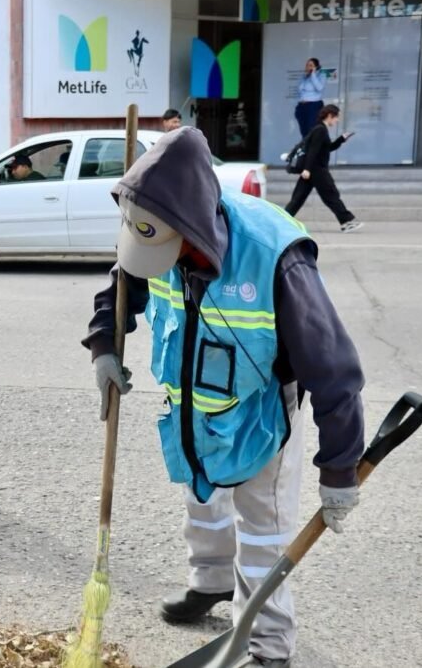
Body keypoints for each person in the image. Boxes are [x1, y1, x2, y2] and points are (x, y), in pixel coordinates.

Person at [83, 128, 365, 667]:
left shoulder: (274, 256)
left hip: (262, 415)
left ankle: (268, 647)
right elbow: (124, 281)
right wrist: (104, 344)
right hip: (195, 410)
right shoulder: (154, 227)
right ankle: (210, 581)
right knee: (203, 501)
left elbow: (335, 372)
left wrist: (339, 470)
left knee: (263, 535)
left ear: (192, 229)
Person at [285, 104, 361, 233]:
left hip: (312, 170)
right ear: (330, 116)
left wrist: (341, 139)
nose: (337, 120)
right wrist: (307, 169)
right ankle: (346, 221)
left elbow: (327, 148)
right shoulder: (320, 130)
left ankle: (282, 221)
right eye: (336, 117)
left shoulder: (320, 128)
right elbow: (313, 151)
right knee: (331, 195)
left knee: (298, 198)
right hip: (317, 170)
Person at [294, 58, 326, 138]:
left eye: (311, 65)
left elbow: (320, 88)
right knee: (304, 131)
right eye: (307, 65)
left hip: (313, 106)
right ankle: (306, 145)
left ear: (316, 67)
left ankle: (313, 145)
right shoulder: (304, 77)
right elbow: (300, 91)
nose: (308, 67)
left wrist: (313, 75)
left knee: (312, 130)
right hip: (302, 106)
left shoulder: (321, 75)